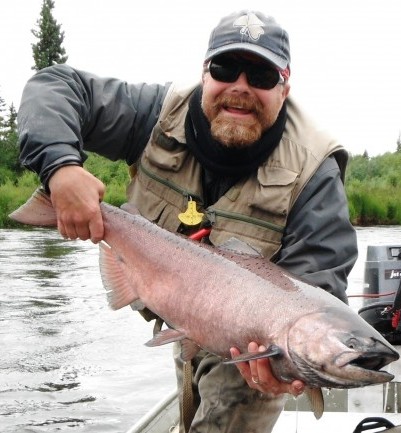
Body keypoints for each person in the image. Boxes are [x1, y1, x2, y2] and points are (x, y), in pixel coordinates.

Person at [17, 9, 358, 433]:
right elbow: (54, 85)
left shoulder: (313, 171)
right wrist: (61, 167)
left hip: (252, 348)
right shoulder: (155, 114)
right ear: (204, 73)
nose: (240, 88)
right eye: (225, 68)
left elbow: (317, 289)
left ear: (285, 87)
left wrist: (292, 362)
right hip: (184, 315)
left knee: (238, 398)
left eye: (262, 77)